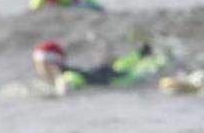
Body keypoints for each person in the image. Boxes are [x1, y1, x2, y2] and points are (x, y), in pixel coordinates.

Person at [32, 40, 165, 94]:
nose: (38, 70)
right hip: (104, 71)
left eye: (40, 65)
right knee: (118, 66)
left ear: (52, 64)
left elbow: (69, 84)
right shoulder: (67, 72)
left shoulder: (67, 76)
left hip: (115, 80)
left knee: (143, 71)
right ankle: (142, 53)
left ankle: (160, 58)